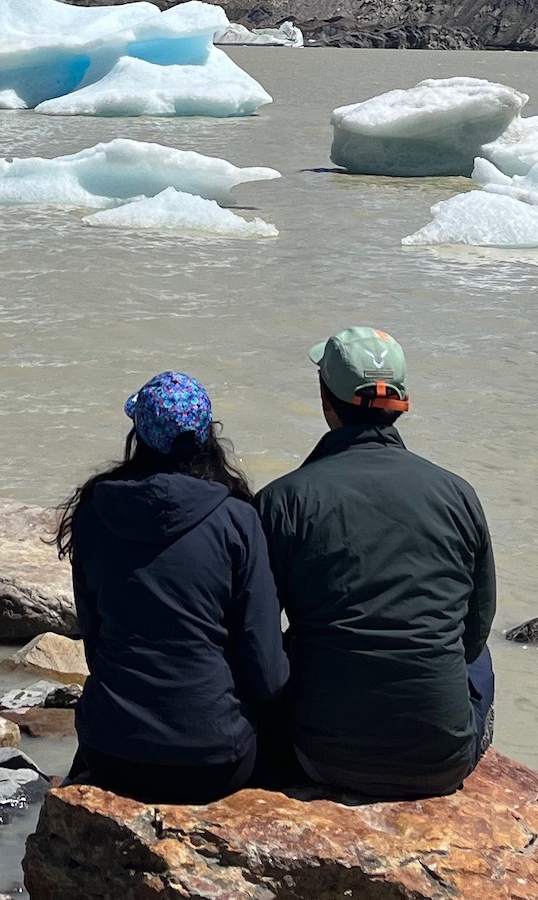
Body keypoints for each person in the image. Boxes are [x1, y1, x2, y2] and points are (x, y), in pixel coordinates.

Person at [255, 327, 497, 799]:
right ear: (400, 404)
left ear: (326, 399)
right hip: (442, 763)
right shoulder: (458, 494)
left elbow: (255, 635)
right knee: (480, 657)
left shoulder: (283, 500)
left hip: (319, 756)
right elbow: (473, 635)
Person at [56, 370, 288, 804]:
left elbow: (95, 644)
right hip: (214, 762)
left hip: (112, 751)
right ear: (207, 438)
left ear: (138, 435)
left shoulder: (95, 510)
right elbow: (266, 674)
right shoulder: (237, 518)